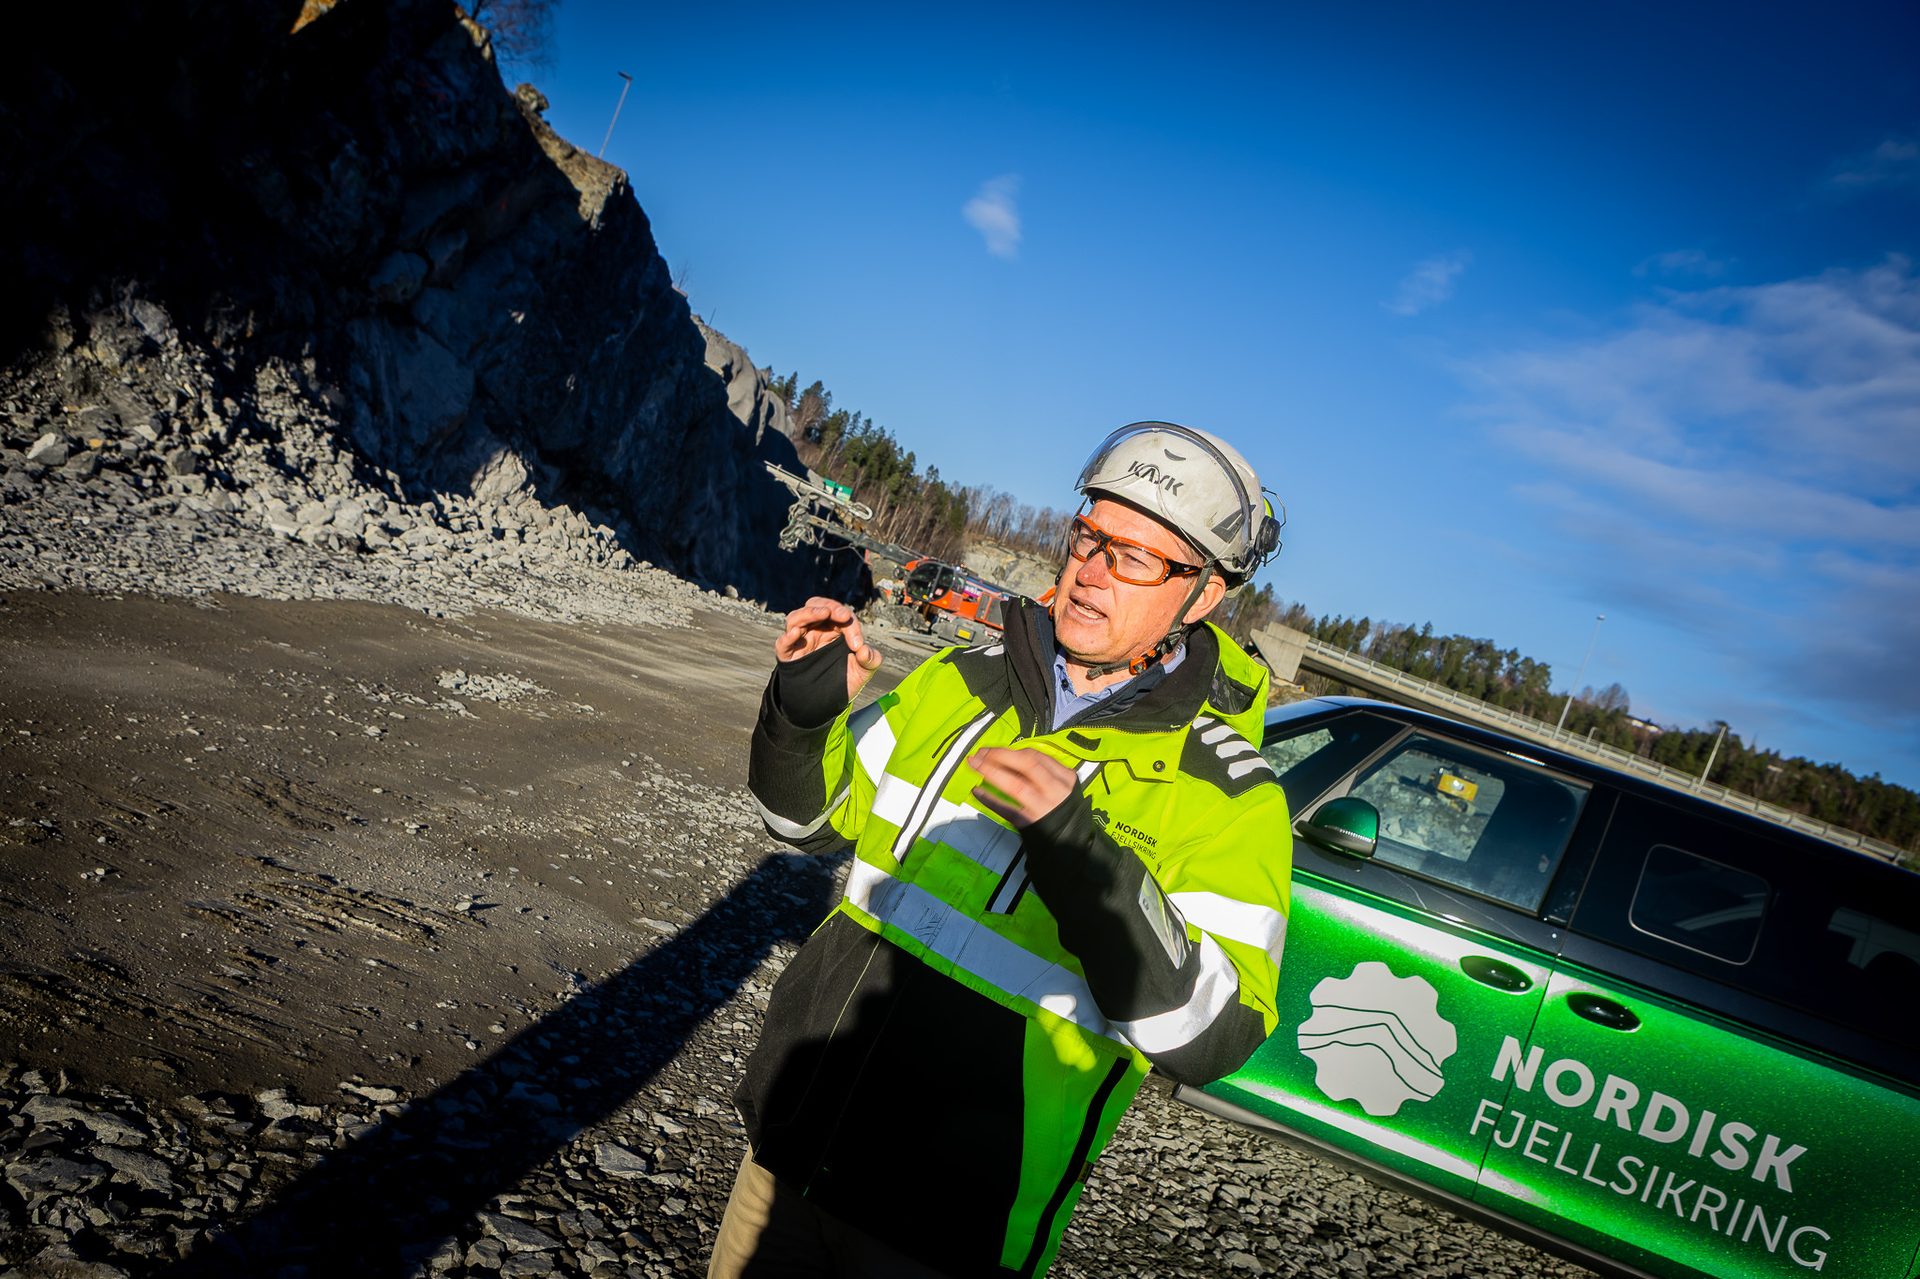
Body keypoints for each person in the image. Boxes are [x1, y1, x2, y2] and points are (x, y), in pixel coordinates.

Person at [711, 422, 1293, 1278]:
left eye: (1136, 557)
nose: (1093, 568)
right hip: (790, 1158)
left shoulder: (1234, 798)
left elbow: (1210, 1034)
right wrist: (801, 715)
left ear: (1202, 595)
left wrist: (1085, 859)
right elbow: (802, 825)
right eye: (1089, 536)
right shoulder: (960, 679)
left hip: (953, 1231)